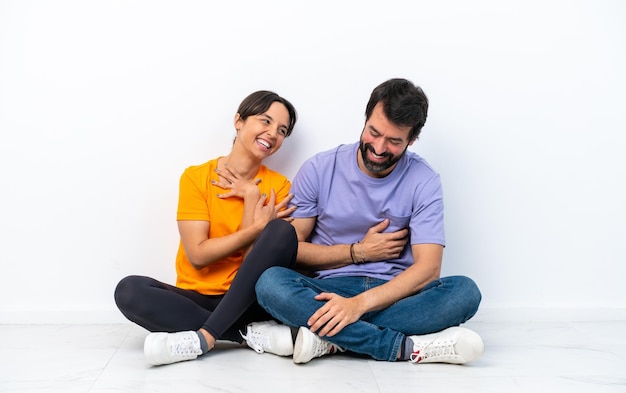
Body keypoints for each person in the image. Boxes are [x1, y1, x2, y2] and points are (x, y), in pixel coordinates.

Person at [254, 78, 484, 365]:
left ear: (411, 140)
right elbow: (293, 251)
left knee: (465, 292)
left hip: (395, 293)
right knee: (269, 283)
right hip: (328, 291)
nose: (378, 147)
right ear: (365, 121)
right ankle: (400, 347)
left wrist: (358, 306)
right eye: (373, 133)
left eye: (394, 141)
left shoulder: (423, 180)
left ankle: (331, 339)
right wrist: (357, 252)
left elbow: (428, 269)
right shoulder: (319, 169)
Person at [114, 90, 300, 366]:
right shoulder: (196, 178)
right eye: (265, 121)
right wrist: (255, 226)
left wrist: (251, 195)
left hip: (248, 300)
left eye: (282, 130)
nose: (273, 133)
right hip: (196, 299)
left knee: (283, 233)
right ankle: (247, 335)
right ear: (239, 120)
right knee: (128, 290)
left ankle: (206, 335)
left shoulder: (279, 187)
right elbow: (198, 256)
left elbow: (252, 265)